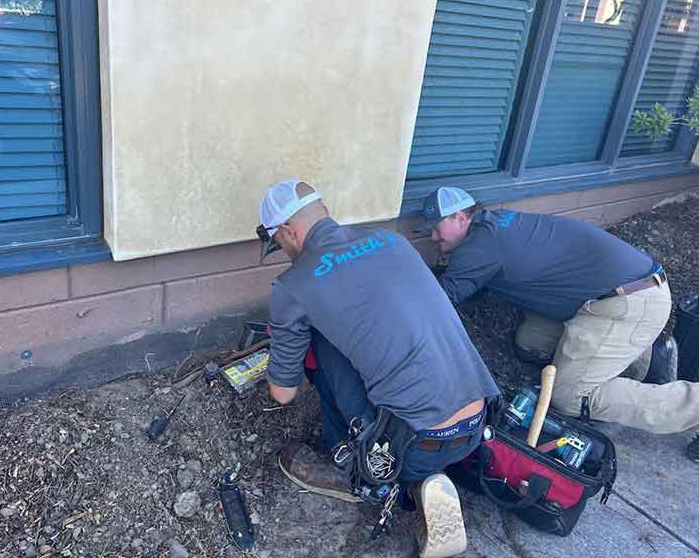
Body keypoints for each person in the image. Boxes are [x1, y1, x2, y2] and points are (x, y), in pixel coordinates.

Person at [256, 179, 499, 557]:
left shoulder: (294, 285)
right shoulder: (392, 241)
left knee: (322, 343)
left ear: (288, 231)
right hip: (477, 423)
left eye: (279, 243)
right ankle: (424, 483)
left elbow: (282, 394)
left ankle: (354, 464)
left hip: (410, 446)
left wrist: (291, 343)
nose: (284, 252)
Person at [416, 186, 699, 463]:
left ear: (460, 218)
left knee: (570, 396)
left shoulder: (479, 246)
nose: (433, 236)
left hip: (627, 305)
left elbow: (438, 302)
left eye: (437, 228)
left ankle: (690, 404)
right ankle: (648, 355)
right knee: (531, 341)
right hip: (619, 294)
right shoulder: (494, 225)